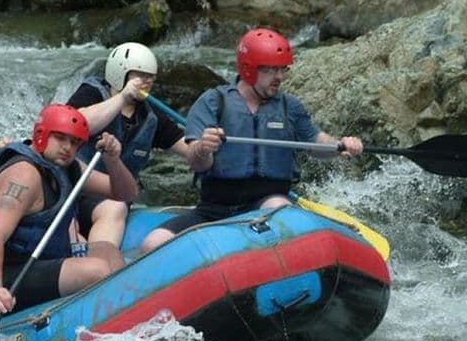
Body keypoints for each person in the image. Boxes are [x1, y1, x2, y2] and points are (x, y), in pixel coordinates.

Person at [140, 28, 364, 253]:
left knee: (280, 209)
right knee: (153, 243)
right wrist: (203, 148)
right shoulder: (213, 102)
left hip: (267, 201)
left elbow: (315, 142)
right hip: (215, 207)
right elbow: (197, 162)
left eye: (282, 69)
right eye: (271, 70)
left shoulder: (289, 107)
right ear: (249, 69)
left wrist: (339, 145)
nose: (279, 77)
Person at [0, 104, 139, 318]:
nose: (67, 147)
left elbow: (126, 194)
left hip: (36, 260)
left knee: (108, 253)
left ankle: (119, 316)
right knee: (96, 271)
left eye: (74, 142)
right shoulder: (24, 176)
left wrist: (113, 160)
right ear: (42, 134)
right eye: (60, 138)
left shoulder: (67, 167)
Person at [67, 42, 193, 251]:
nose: (148, 80)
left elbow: (189, 148)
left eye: (151, 76)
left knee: (116, 207)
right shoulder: (91, 93)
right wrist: (122, 97)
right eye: (141, 74)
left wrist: (205, 144)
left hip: (112, 198)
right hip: (73, 190)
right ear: (120, 72)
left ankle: (99, 260)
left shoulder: (151, 116)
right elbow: (78, 124)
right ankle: (90, 259)